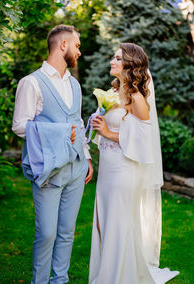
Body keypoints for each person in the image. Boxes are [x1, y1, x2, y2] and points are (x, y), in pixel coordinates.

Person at [89, 43, 179, 284]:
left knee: (118, 221)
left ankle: (116, 276)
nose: (112, 61)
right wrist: (98, 124)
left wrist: (108, 133)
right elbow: (114, 126)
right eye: (114, 57)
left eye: (117, 58)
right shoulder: (114, 93)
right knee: (105, 220)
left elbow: (144, 139)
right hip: (108, 169)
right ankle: (107, 272)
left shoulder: (137, 97)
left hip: (125, 170)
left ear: (130, 64)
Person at [12, 24, 93, 284]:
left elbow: (78, 122)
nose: (80, 51)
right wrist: (58, 132)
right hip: (48, 170)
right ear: (62, 46)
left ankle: (60, 280)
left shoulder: (75, 85)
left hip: (76, 169)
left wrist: (87, 156)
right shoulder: (31, 83)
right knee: (46, 233)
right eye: (77, 45)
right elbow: (19, 126)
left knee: (67, 232)